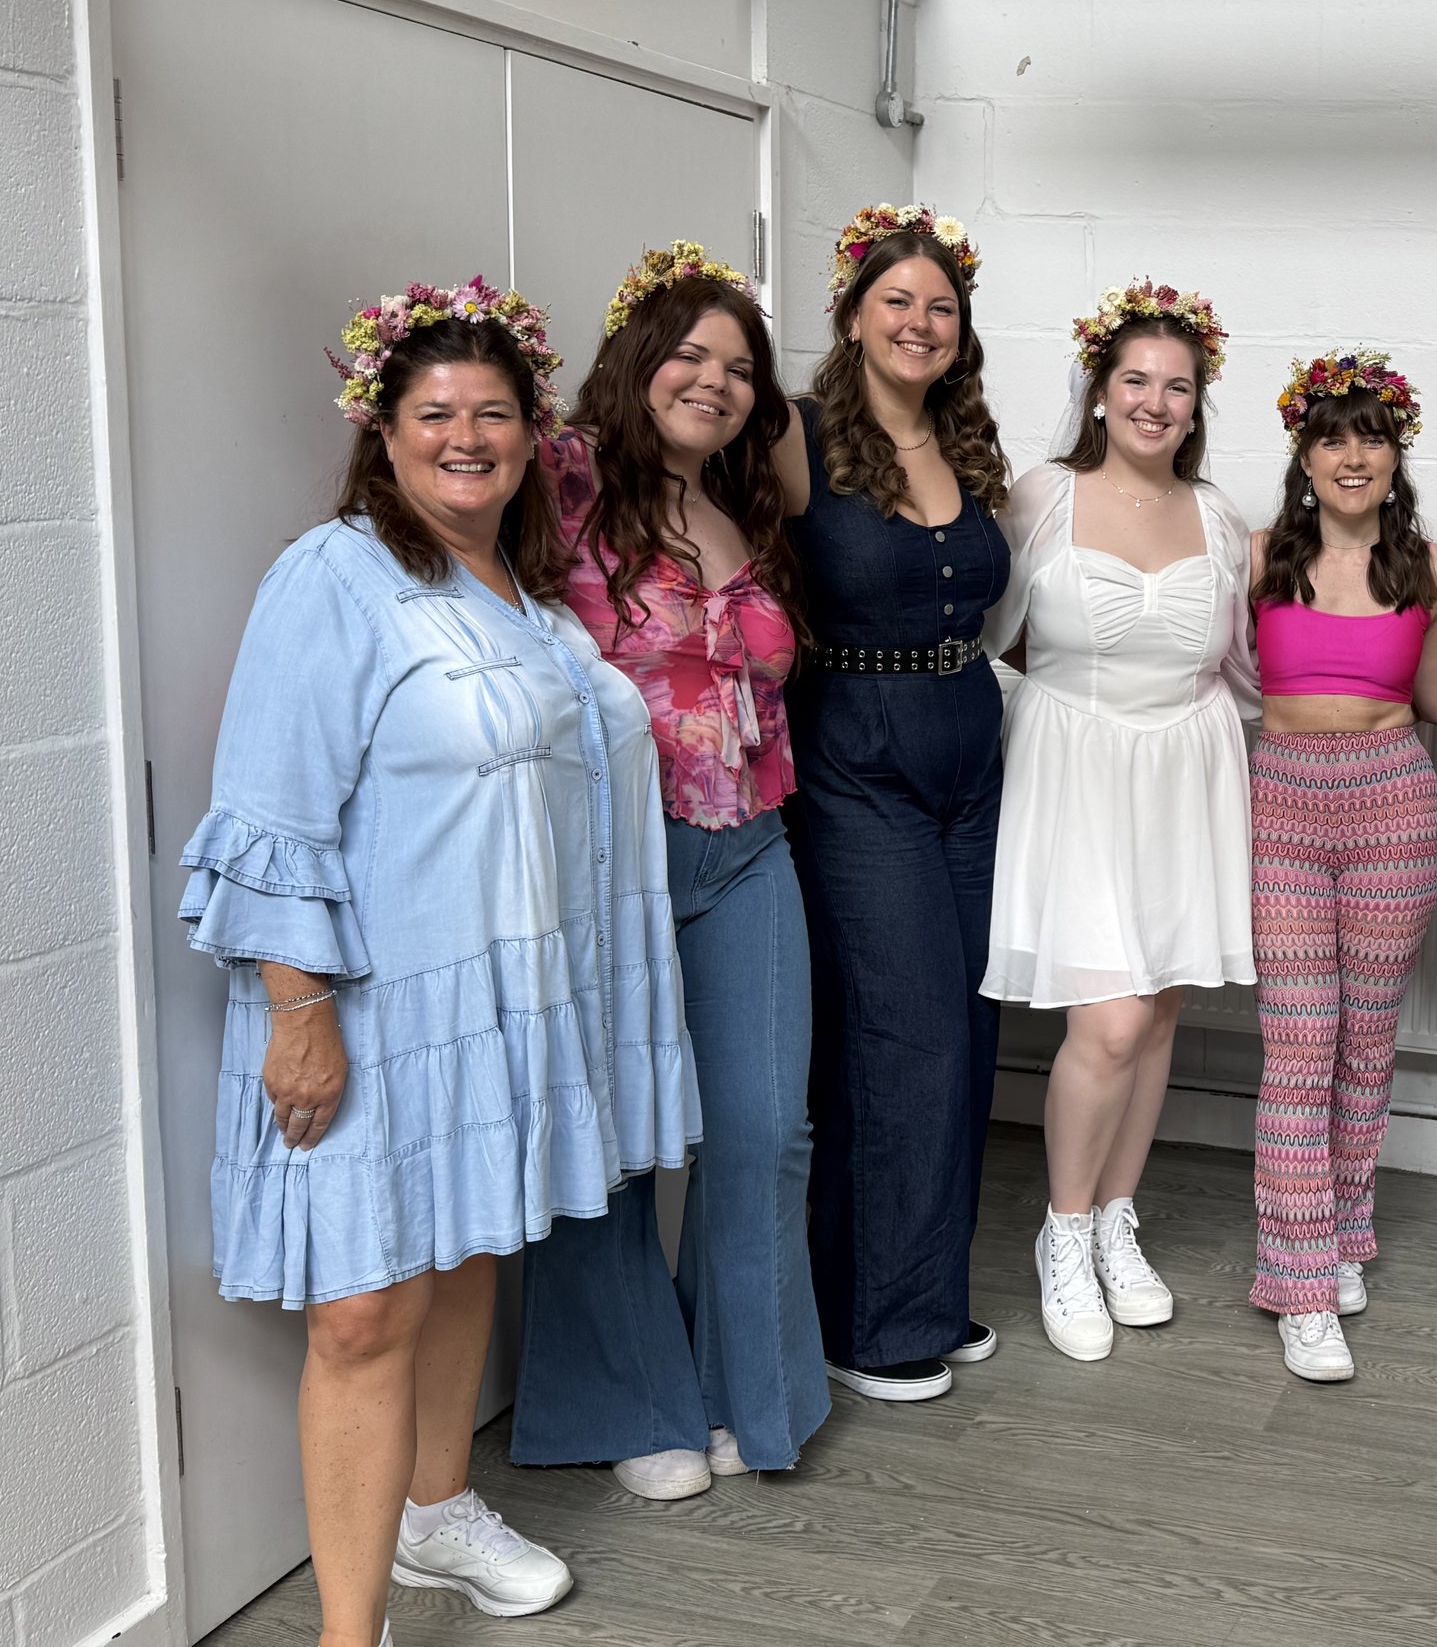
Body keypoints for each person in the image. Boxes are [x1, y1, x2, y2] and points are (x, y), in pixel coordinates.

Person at [183, 279, 696, 1645]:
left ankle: (437, 1511)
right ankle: (353, 1631)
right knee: (359, 1311)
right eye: (434, 413)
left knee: (468, 1240)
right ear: (383, 428)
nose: (465, 435)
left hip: (495, 997)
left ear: (533, 429)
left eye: (493, 411)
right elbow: (272, 811)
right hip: (366, 996)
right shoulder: (334, 575)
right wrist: (299, 1011)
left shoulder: (525, 593)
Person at [510, 242, 827, 1496]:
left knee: (762, 1130)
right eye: (688, 355)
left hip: (749, 848)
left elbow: (795, 458)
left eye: (741, 368)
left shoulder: (742, 505)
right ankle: (636, 1406)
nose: (716, 382)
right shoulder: (565, 476)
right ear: (634, 360)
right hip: (612, 867)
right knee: (617, 1146)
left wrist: (764, 390)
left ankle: (752, 1390)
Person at [985, 279, 1257, 1363]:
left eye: (1176, 387)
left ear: (1197, 405)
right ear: (1099, 392)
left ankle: (1115, 1223)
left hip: (1185, 769)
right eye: (1134, 381)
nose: (1154, 402)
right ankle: (1060, 1231)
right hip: (1075, 765)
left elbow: (1239, 667)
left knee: (1155, 1017)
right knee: (1103, 1023)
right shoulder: (1040, 495)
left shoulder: (1222, 516)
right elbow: (991, 638)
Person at [772, 204, 1011, 1403]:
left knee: (966, 1030)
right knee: (899, 1031)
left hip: (970, 744)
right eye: (898, 301)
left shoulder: (968, 446)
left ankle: (926, 1290)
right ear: (853, 314)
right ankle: (871, 1324)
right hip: (855, 751)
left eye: (941, 306)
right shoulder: (798, 435)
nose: (921, 322)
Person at [1245, 349, 1437, 1382]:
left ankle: (1343, 1236)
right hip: (1282, 793)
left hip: (1390, 794)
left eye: (1370, 436)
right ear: (1304, 449)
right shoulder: (1256, 560)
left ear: (1395, 453)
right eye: (1331, 434)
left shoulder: (1431, 568)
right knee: (1300, 1044)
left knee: (1364, 1046)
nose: (1350, 454)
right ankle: (1296, 1283)